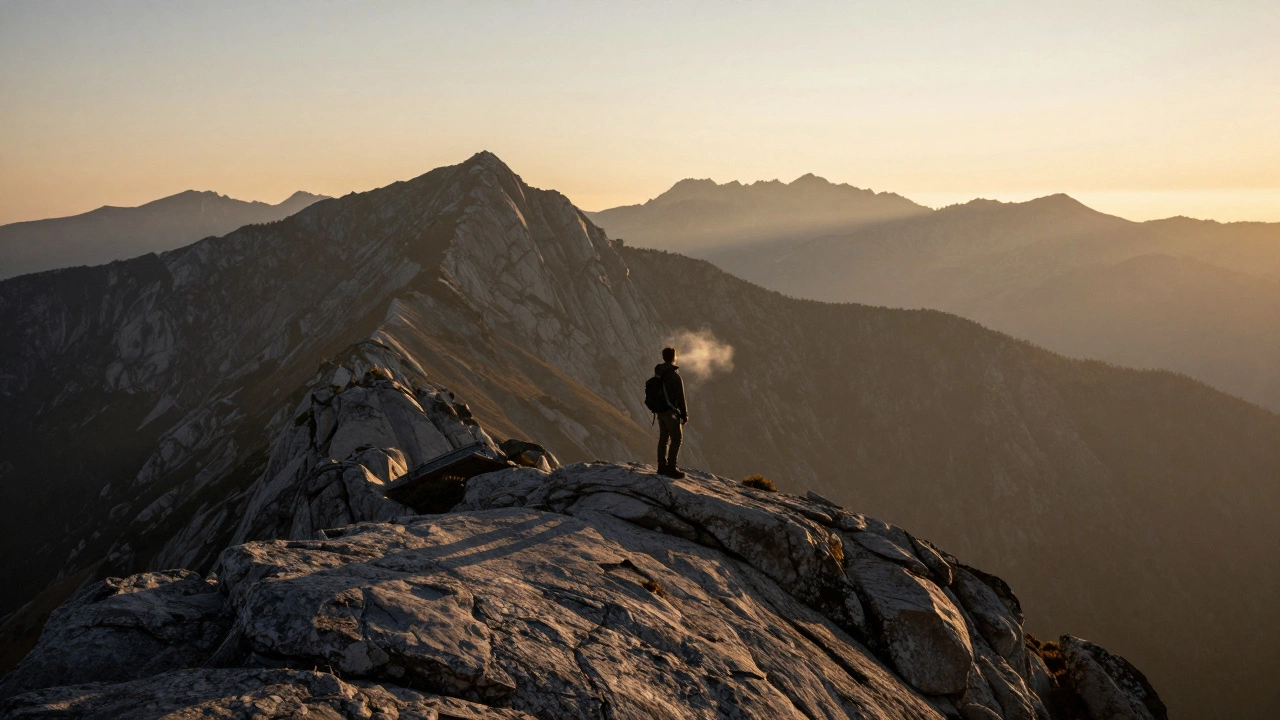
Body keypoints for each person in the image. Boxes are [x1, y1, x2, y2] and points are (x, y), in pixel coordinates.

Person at [654, 346, 688, 478]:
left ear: (663, 357)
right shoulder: (674, 376)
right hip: (671, 412)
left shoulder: (658, 373)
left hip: (660, 411)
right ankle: (671, 468)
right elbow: (681, 397)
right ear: (674, 357)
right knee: (677, 438)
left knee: (663, 438)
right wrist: (684, 414)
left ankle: (661, 466)